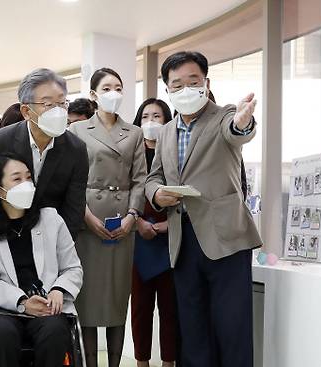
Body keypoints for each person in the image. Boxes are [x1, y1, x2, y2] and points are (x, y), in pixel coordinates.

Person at [145, 51, 262, 367]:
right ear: (167, 89)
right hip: (182, 240)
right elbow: (153, 176)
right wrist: (157, 193)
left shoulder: (223, 115)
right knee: (193, 330)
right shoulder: (167, 131)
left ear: (206, 83)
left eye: (193, 81)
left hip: (225, 240)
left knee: (232, 328)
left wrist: (242, 122)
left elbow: (236, 130)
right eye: (176, 84)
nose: (185, 89)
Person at [0, 152, 83, 367]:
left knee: (54, 331)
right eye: (17, 179)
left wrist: (58, 290)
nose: (26, 184)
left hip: (47, 304)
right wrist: (22, 303)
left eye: (28, 177)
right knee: (3, 332)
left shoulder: (51, 219)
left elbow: (73, 268)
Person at [68, 67, 146, 367]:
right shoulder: (76, 130)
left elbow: (140, 179)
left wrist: (132, 216)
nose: (114, 93)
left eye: (118, 87)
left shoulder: (134, 132)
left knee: (116, 301)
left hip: (122, 225)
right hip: (87, 224)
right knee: (87, 302)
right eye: (107, 88)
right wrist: (86, 217)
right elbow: (71, 182)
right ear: (93, 94)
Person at [0, 68, 88, 239]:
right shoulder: (0, 141)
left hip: (52, 237)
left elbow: (74, 208)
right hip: (5, 234)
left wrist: (62, 248)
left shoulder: (76, 149)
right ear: (26, 111)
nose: (58, 111)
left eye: (62, 103)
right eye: (48, 105)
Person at [130, 98, 177, 367]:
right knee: (140, 309)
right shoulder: (133, 155)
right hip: (138, 240)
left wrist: (164, 226)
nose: (151, 122)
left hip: (171, 240)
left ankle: (169, 362)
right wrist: (137, 223)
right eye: (145, 116)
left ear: (167, 121)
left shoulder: (175, 154)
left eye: (157, 116)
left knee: (170, 309)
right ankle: (141, 362)